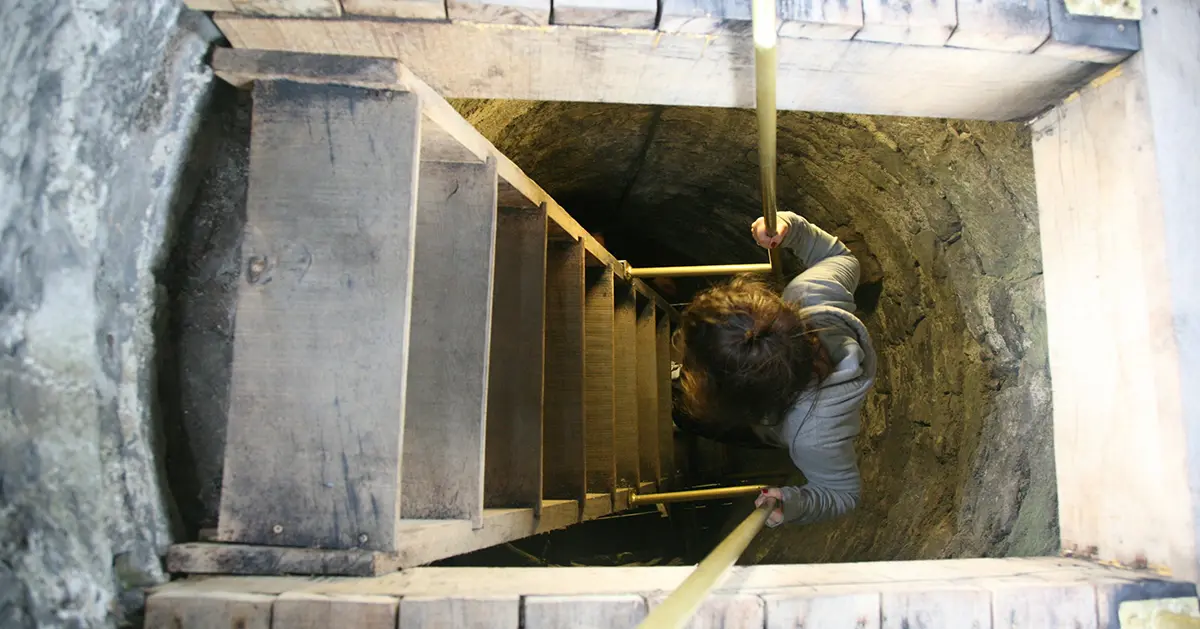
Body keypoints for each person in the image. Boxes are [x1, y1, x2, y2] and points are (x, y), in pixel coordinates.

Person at [673, 211, 876, 527]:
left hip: (768, 427)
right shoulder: (812, 293)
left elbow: (843, 494)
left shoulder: (813, 437)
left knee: (689, 419)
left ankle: (679, 411)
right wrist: (788, 228)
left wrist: (796, 503)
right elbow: (840, 258)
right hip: (770, 411)